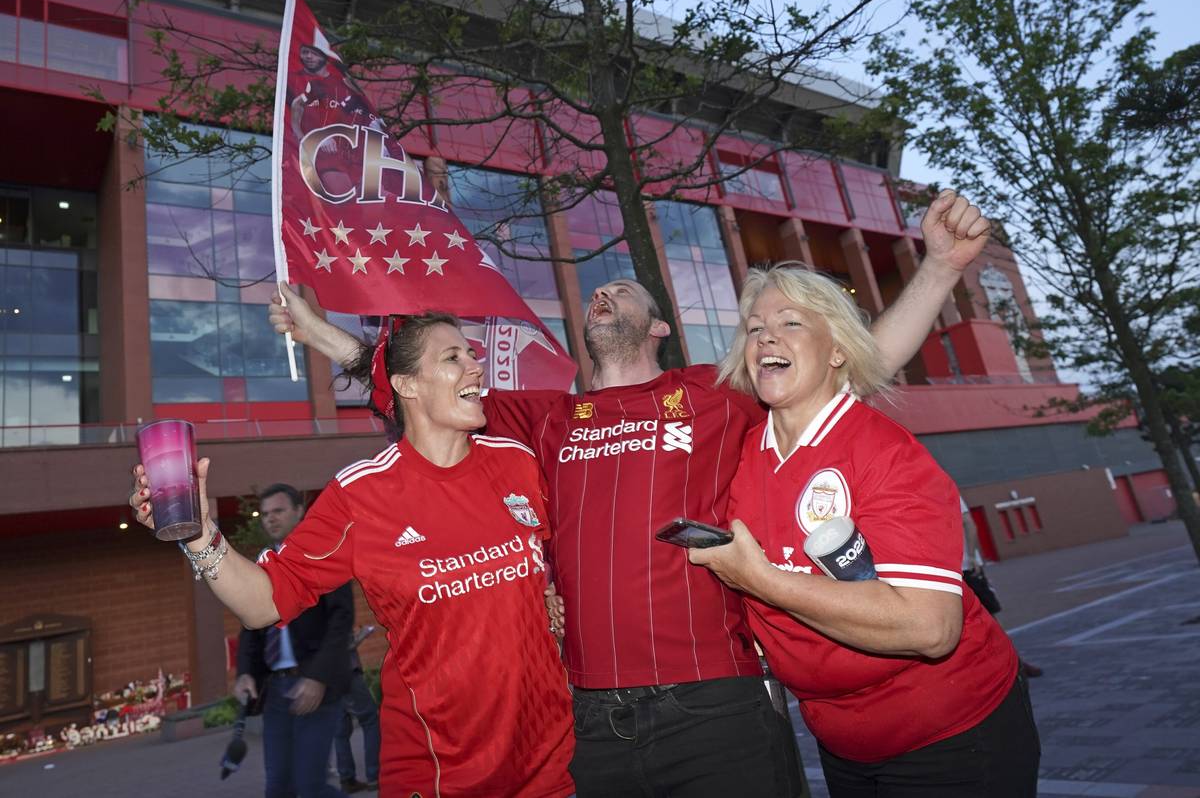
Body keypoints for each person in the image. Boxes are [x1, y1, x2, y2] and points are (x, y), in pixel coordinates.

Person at [272, 189, 993, 796]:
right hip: (591, 721)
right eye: (593, 297)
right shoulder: (544, 417)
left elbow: (856, 362)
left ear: (658, 328)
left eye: (622, 291)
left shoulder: (716, 393)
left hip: (718, 706)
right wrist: (321, 335)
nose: (602, 293)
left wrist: (934, 270)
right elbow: (418, 390)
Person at [131, 313, 574, 796]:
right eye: (453, 357)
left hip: (552, 762)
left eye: (472, 354)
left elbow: (555, 561)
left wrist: (553, 597)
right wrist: (198, 534)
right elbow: (262, 603)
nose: (474, 366)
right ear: (406, 385)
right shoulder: (361, 493)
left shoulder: (519, 462)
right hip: (439, 771)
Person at [689, 262, 1041, 796]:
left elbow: (929, 629)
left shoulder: (886, 453)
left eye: (790, 323)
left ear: (837, 351)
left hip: (953, 734)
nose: (766, 338)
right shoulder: (736, 453)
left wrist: (758, 579)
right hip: (842, 743)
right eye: (755, 328)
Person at [233, 483, 353, 798]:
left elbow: (341, 620)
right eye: (265, 513)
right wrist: (245, 671)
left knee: (311, 787)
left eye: (279, 511)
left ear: (300, 511)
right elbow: (251, 625)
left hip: (315, 687)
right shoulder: (264, 564)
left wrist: (317, 677)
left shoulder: (323, 554)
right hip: (276, 691)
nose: (270, 519)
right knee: (278, 789)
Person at [961, 497, 1043, 678]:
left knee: (987, 617)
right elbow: (969, 523)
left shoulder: (941, 489)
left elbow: (969, 524)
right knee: (981, 619)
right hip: (956, 569)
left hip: (963, 569)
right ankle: (1005, 665)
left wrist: (972, 557)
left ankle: (1014, 664)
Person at [333, 639, 381, 793]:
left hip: (328, 677)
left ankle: (347, 779)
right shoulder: (335, 614)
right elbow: (342, 641)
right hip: (348, 671)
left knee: (340, 731)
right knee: (370, 720)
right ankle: (374, 776)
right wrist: (359, 637)